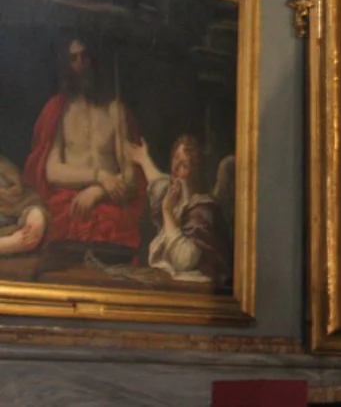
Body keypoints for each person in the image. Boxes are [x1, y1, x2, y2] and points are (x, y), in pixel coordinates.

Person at [23, 38, 146, 253]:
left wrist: (99, 191)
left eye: (85, 56)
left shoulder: (115, 110)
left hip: (109, 202)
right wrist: (99, 176)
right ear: (66, 65)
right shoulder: (59, 110)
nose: (81, 63)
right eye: (74, 58)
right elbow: (51, 171)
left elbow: (130, 176)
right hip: (69, 203)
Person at [125, 135, 232, 288]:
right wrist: (143, 159)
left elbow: (183, 260)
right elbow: (159, 182)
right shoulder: (178, 198)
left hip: (195, 287)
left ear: (195, 173)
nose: (175, 167)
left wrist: (167, 211)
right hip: (171, 281)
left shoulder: (202, 210)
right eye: (175, 158)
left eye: (184, 165)